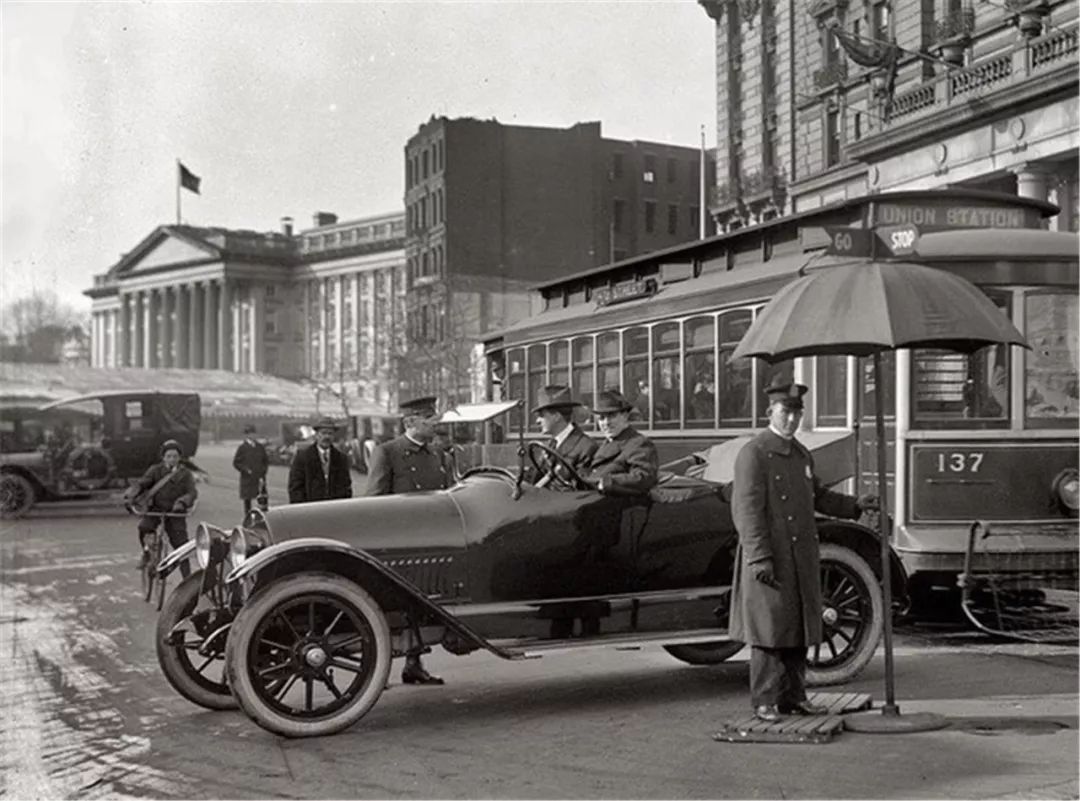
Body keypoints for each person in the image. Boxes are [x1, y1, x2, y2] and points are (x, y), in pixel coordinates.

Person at [729, 378, 876, 723]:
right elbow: (746, 511)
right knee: (769, 632)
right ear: (771, 412)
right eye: (786, 412)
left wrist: (855, 505)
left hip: (799, 558)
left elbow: (818, 496)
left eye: (797, 413)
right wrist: (759, 556)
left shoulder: (799, 454)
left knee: (796, 628)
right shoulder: (754, 453)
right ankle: (764, 700)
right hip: (771, 557)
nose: (792, 419)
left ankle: (794, 697)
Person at [364, 396, 453, 685]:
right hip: (400, 541)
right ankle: (375, 673)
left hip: (432, 540)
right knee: (394, 608)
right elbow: (374, 502)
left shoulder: (437, 454)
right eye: (429, 421)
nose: (435, 426)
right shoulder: (387, 452)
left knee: (423, 606)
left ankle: (414, 664)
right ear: (410, 422)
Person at [125, 439, 198, 578]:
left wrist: (182, 502)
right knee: (144, 528)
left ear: (180, 457)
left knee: (182, 546)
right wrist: (132, 493)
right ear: (163, 457)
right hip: (156, 509)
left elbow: (192, 492)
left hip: (176, 513)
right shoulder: (155, 470)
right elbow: (143, 483)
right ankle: (147, 553)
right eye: (168, 456)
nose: (172, 459)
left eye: (175, 456)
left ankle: (187, 579)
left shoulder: (185, 474)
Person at [584, 389, 659, 496]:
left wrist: (606, 482)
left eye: (612, 416)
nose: (606, 423)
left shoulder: (639, 443)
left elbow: (643, 477)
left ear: (625, 416)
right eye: (601, 418)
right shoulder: (607, 444)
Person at [529, 385, 597, 487]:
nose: (537, 421)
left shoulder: (587, 447)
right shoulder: (550, 445)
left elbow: (580, 490)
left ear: (557, 416)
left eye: (542, 416)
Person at [287, 417, 352, 504]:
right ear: (316, 435)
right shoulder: (303, 457)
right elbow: (295, 488)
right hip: (309, 510)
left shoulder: (341, 459)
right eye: (323, 433)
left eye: (330, 434)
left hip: (335, 511)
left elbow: (346, 487)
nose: (327, 437)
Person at [233, 424, 269, 516]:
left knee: (262, 499)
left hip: (259, 478)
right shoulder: (242, 448)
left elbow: (265, 461)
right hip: (248, 479)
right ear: (247, 435)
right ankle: (248, 519)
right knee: (247, 501)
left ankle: (263, 518)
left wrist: (263, 472)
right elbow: (236, 463)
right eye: (250, 434)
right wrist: (245, 470)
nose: (253, 436)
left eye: (254, 433)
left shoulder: (260, 447)